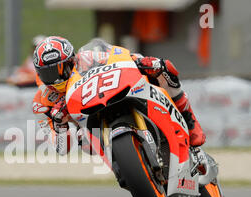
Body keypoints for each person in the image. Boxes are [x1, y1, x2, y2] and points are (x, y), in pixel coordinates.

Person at [32, 36, 206, 154]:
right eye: (48, 74)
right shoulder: (42, 102)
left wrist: (140, 61)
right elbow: (62, 149)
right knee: (86, 146)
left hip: (112, 92)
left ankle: (190, 122)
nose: (55, 79)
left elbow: (118, 56)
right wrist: (60, 125)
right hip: (88, 126)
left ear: (72, 60)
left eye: (61, 69)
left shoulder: (86, 58)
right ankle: (127, 166)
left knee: (165, 68)